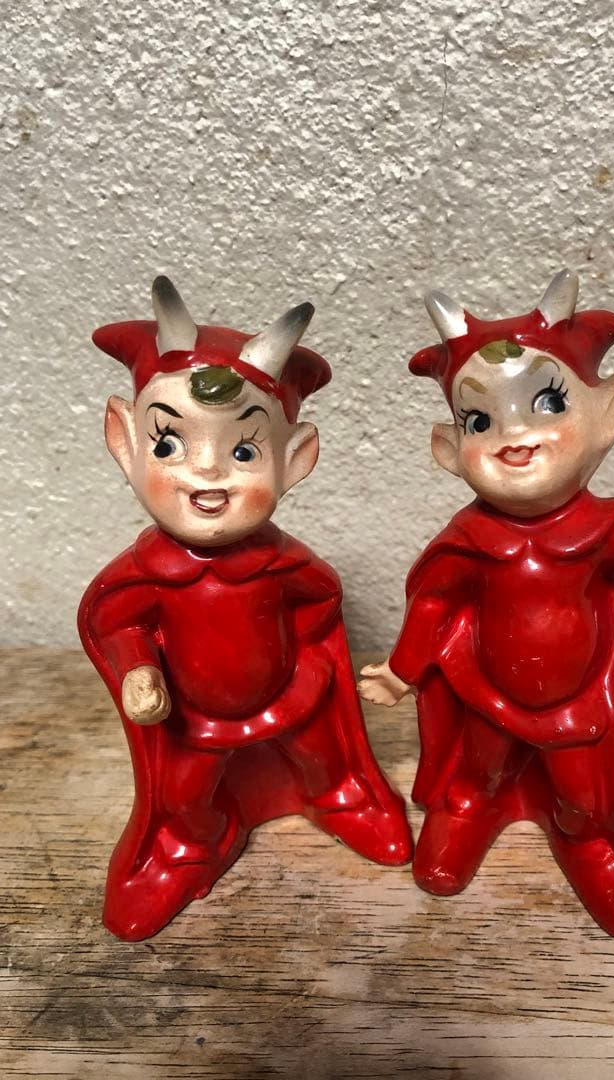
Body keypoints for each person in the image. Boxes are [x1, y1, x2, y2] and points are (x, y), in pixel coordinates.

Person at [359, 271, 614, 942]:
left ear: (607, 415)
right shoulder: (470, 539)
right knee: (476, 775)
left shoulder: (602, 528)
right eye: (480, 420)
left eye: (547, 404)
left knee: (583, 800)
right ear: (450, 449)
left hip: (573, 706)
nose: (514, 435)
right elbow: (435, 601)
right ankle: (469, 815)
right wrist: (403, 671)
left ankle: (585, 843)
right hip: (487, 695)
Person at [79, 276, 412, 941]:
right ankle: (190, 845)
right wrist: (138, 668)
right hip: (194, 716)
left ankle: (336, 799)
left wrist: (308, 659)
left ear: (296, 460)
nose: (208, 473)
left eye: (243, 451)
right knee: (184, 797)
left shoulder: (283, 562)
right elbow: (116, 622)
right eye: (169, 444)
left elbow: (320, 598)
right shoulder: (145, 574)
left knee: (324, 758)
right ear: (125, 442)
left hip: (292, 695)